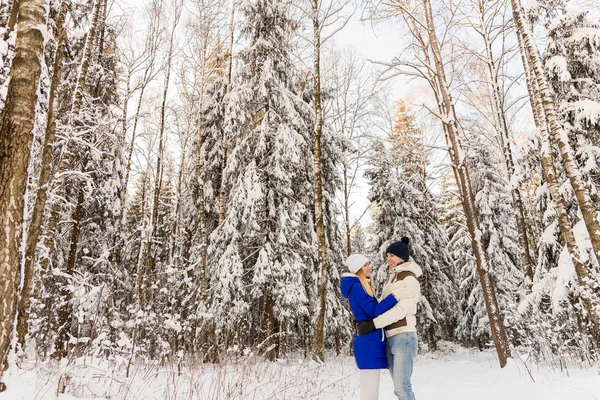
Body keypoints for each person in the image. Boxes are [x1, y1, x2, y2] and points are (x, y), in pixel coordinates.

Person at [340, 253, 417, 400]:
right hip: (368, 344)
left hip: (370, 342)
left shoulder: (362, 286)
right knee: (369, 395)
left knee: (371, 393)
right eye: (366, 265)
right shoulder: (357, 287)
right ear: (358, 269)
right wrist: (396, 296)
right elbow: (374, 311)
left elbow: (370, 310)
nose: (370, 267)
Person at [356, 237, 422, 400]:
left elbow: (400, 311)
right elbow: (384, 305)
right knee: (398, 388)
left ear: (402, 257)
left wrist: (373, 324)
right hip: (391, 338)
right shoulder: (392, 278)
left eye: (392, 255)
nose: (388, 258)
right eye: (387, 255)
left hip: (404, 337)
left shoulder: (409, 279)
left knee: (402, 388)